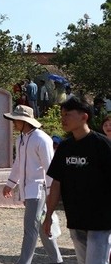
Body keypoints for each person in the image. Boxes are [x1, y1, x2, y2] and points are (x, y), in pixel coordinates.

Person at [43, 97, 111, 264]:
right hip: (75, 219)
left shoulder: (102, 145)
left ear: (84, 116)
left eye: (68, 114)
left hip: (101, 221)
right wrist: (49, 215)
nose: (63, 118)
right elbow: (56, 183)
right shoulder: (64, 147)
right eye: (62, 114)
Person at [2, 105, 63, 264]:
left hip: (39, 190)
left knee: (30, 229)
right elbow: (18, 163)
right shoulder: (20, 138)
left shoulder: (42, 138)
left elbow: (50, 167)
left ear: (24, 121)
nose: (14, 123)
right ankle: (57, 260)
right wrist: (10, 183)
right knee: (43, 228)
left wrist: (51, 194)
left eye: (16, 120)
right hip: (29, 190)